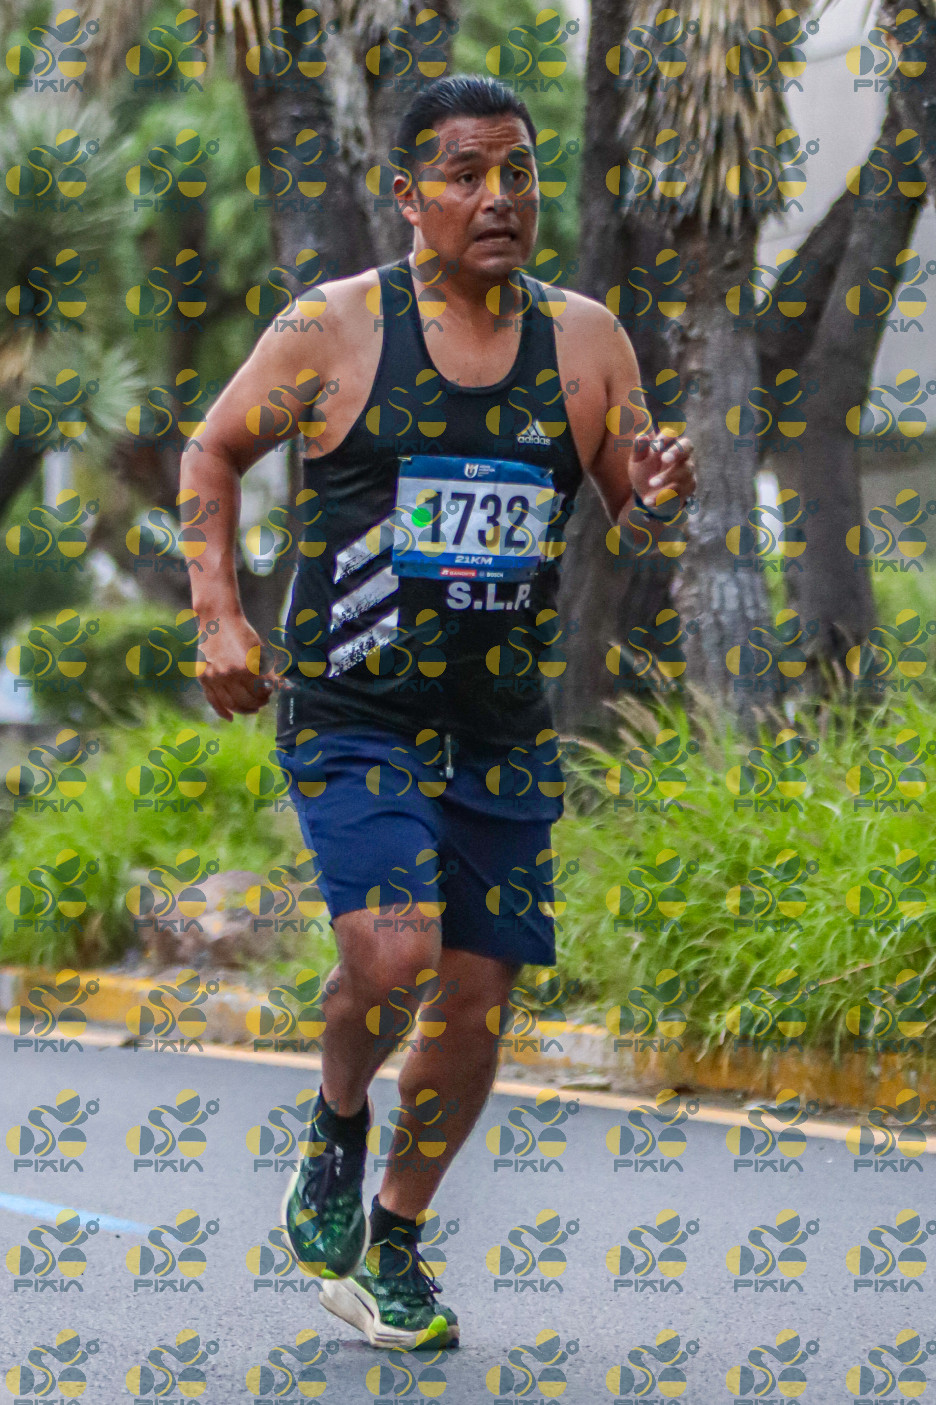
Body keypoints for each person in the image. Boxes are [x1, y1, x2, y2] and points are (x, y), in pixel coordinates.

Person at [180, 74, 697, 1350]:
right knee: (395, 955)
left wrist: (659, 494)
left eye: (518, 172)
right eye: (467, 174)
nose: (499, 197)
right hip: (356, 712)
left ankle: (396, 1245)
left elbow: (632, 511)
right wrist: (218, 615)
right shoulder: (333, 328)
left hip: (501, 730)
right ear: (409, 196)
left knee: (473, 1003)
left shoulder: (587, 342)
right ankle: (337, 1121)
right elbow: (211, 451)